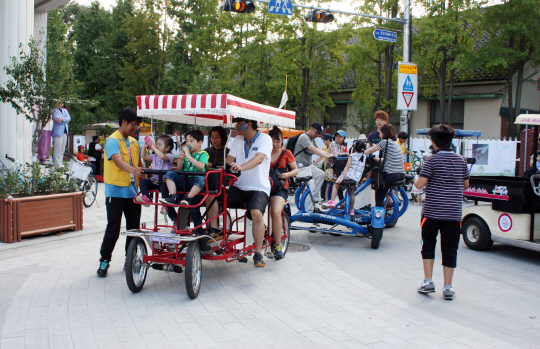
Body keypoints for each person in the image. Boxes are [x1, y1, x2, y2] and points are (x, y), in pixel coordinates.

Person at [414, 124, 469, 300]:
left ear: (433, 142)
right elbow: (466, 185)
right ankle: (448, 288)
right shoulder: (461, 160)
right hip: (453, 214)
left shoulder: (431, 160)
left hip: (431, 213)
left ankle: (428, 282)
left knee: (428, 245)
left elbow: (419, 185)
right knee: (450, 248)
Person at [97, 108, 143, 277]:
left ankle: (129, 260)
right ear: (124, 122)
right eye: (133, 125)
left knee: (133, 229)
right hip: (115, 193)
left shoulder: (133, 142)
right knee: (113, 229)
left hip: (132, 194)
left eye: (137, 126)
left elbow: (140, 164)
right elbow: (117, 161)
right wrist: (133, 170)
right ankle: (104, 260)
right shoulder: (111, 141)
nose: (135, 128)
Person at [226, 117, 272, 267]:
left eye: (239, 125)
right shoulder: (238, 138)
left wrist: (241, 167)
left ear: (249, 124)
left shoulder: (265, 139)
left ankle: (258, 254)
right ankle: (215, 234)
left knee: (256, 213)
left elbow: (259, 159)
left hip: (259, 187)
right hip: (238, 185)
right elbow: (229, 158)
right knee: (213, 197)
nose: (236, 127)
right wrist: (223, 166)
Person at [268, 126, 298, 260]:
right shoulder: (263, 152)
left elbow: (296, 170)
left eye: (277, 141)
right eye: (272, 141)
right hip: (264, 187)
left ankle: (278, 245)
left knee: (275, 211)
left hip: (280, 188)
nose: (274, 144)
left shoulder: (287, 153)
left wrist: (287, 174)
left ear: (282, 142)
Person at [160, 130, 208, 206]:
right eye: (187, 141)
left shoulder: (203, 154)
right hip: (184, 180)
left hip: (196, 181)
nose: (188, 143)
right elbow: (179, 170)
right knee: (170, 173)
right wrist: (181, 160)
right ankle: (173, 196)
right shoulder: (186, 155)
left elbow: (201, 167)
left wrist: (188, 156)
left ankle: (188, 198)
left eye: (191, 141)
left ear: (200, 143)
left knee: (202, 179)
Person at [293, 122, 332, 212]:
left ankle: (312, 199)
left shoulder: (312, 139)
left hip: (307, 166)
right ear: (311, 129)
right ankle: (308, 210)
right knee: (311, 187)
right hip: (300, 167)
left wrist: (331, 154)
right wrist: (326, 156)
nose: (317, 135)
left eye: (319, 134)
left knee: (321, 174)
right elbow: (313, 149)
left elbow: (318, 149)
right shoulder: (304, 137)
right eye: (316, 133)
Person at [364, 124, 406, 208]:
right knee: (384, 188)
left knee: (379, 194)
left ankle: (379, 216)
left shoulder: (384, 142)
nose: (379, 134)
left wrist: (357, 152)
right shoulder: (395, 143)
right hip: (401, 173)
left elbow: (369, 151)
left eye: (380, 132)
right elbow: (385, 160)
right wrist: (374, 158)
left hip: (391, 174)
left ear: (383, 133)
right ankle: (389, 205)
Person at [324, 140, 367, 214]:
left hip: (348, 175)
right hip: (357, 178)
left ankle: (332, 201)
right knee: (352, 193)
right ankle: (351, 210)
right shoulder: (364, 156)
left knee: (336, 185)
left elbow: (347, 167)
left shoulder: (352, 155)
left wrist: (341, 177)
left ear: (355, 147)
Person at [204, 126, 230, 231]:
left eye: (217, 137)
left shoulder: (228, 152)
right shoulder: (205, 152)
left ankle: (213, 227)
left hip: (223, 184)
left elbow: (229, 168)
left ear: (223, 138)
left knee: (211, 193)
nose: (214, 139)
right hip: (207, 182)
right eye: (212, 137)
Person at [136, 135, 174, 206]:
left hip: (164, 181)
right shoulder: (155, 156)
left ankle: (166, 206)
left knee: (164, 188)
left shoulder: (169, 156)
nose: (157, 146)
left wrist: (153, 148)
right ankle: (146, 197)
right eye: (156, 144)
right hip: (154, 180)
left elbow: (162, 156)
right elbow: (143, 156)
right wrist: (144, 147)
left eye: (160, 145)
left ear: (167, 148)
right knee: (143, 182)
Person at [51, 102, 71, 169]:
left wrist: (62, 119)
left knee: (62, 149)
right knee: (57, 149)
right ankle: (57, 164)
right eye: (59, 103)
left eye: (61, 103)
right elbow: (57, 120)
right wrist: (65, 120)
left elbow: (69, 118)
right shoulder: (54, 111)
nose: (60, 105)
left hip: (65, 131)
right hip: (58, 132)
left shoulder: (65, 110)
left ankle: (60, 163)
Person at [313, 134, 333, 200]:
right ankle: (323, 197)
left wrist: (314, 164)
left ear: (328, 140)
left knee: (330, 183)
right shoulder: (325, 148)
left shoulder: (334, 147)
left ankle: (328, 198)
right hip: (324, 166)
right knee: (324, 182)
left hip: (331, 167)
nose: (324, 141)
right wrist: (314, 163)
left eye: (324, 140)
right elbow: (321, 156)